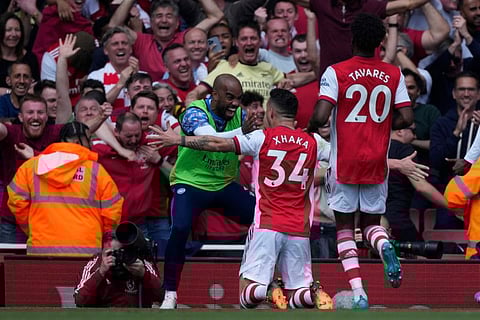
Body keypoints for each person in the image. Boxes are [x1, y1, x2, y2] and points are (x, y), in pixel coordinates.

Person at [148, 88, 333, 310]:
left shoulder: (262, 137)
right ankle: (309, 293)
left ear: (271, 113)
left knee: (248, 295)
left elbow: (216, 144)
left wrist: (179, 140)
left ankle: (266, 290)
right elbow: (342, 160)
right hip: (300, 229)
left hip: (267, 223)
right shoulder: (313, 141)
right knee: (299, 292)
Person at [313, 13, 413, 308]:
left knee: (345, 229)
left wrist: (310, 125)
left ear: (352, 38)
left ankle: (358, 293)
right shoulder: (393, 74)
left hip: (344, 162)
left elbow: (320, 116)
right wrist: (379, 121)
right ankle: (384, 246)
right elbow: (407, 117)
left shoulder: (337, 72)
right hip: (376, 163)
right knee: (371, 225)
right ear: (380, 43)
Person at [156, 74, 256, 309]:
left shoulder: (241, 116)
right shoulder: (194, 111)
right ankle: (170, 292)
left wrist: (248, 134)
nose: (235, 104)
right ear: (215, 95)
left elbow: (253, 141)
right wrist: (242, 133)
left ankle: (258, 281)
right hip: (190, 183)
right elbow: (210, 140)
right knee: (179, 228)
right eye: (230, 98)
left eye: (238, 99)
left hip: (223, 184)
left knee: (263, 219)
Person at [7, 121, 123, 256]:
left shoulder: (31, 167)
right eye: (89, 140)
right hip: (86, 252)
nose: (91, 145)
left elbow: (16, 202)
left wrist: (32, 227)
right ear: (77, 142)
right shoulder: (96, 171)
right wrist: (104, 235)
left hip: (41, 251)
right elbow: (113, 210)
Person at [429, 71, 480, 229]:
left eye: (471, 89)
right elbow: (435, 160)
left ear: (478, 94)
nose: (466, 94)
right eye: (461, 89)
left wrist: (468, 163)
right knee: (444, 234)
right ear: (453, 94)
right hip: (449, 191)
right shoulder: (442, 123)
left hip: (478, 191)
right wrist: (456, 133)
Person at [388, 114, 448, 242]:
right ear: (400, 131)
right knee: (421, 256)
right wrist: (452, 207)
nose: (415, 136)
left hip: (370, 219)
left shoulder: (377, 149)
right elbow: (422, 187)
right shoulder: (405, 150)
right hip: (397, 220)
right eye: (413, 131)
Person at [74, 223, 162, 307]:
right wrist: (100, 272)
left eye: (121, 252)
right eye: (111, 253)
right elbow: (80, 301)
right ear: (103, 252)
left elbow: (163, 296)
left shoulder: (139, 262)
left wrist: (144, 274)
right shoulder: (96, 263)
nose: (117, 257)